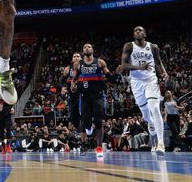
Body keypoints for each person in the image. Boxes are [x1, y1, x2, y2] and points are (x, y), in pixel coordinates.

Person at [115, 26, 169, 155]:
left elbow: (158, 62)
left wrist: (164, 73)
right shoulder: (129, 46)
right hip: (136, 83)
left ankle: (160, 144)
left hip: (151, 80)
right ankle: (150, 123)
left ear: (145, 33)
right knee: (145, 114)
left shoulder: (153, 47)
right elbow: (124, 65)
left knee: (155, 108)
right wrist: (140, 67)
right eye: (135, 31)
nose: (138, 32)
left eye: (140, 30)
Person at [70, 43, 111, 156]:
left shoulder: (100, 62)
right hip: (84, 97)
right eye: (84, 47)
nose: (87, 48)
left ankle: (99, 147)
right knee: (85, 122)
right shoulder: (78, 64)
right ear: (83, 51)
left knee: (98, 122)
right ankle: (87, 134)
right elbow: (74, 79)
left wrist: (113, 77)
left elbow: (108, 75)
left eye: (89, 47)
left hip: (98, 95)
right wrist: (72, 85)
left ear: (93, 50)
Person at [63, 53, 82, 130]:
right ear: (72, 59)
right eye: (74, 56)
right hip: (72, 96)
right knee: (74, 118)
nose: (76, 58)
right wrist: (62, 88)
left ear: (81, 58)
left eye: (78, 56)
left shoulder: (84, 68)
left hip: (82, 94)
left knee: (84, 114)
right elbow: (62, 81)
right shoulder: (67, 69)